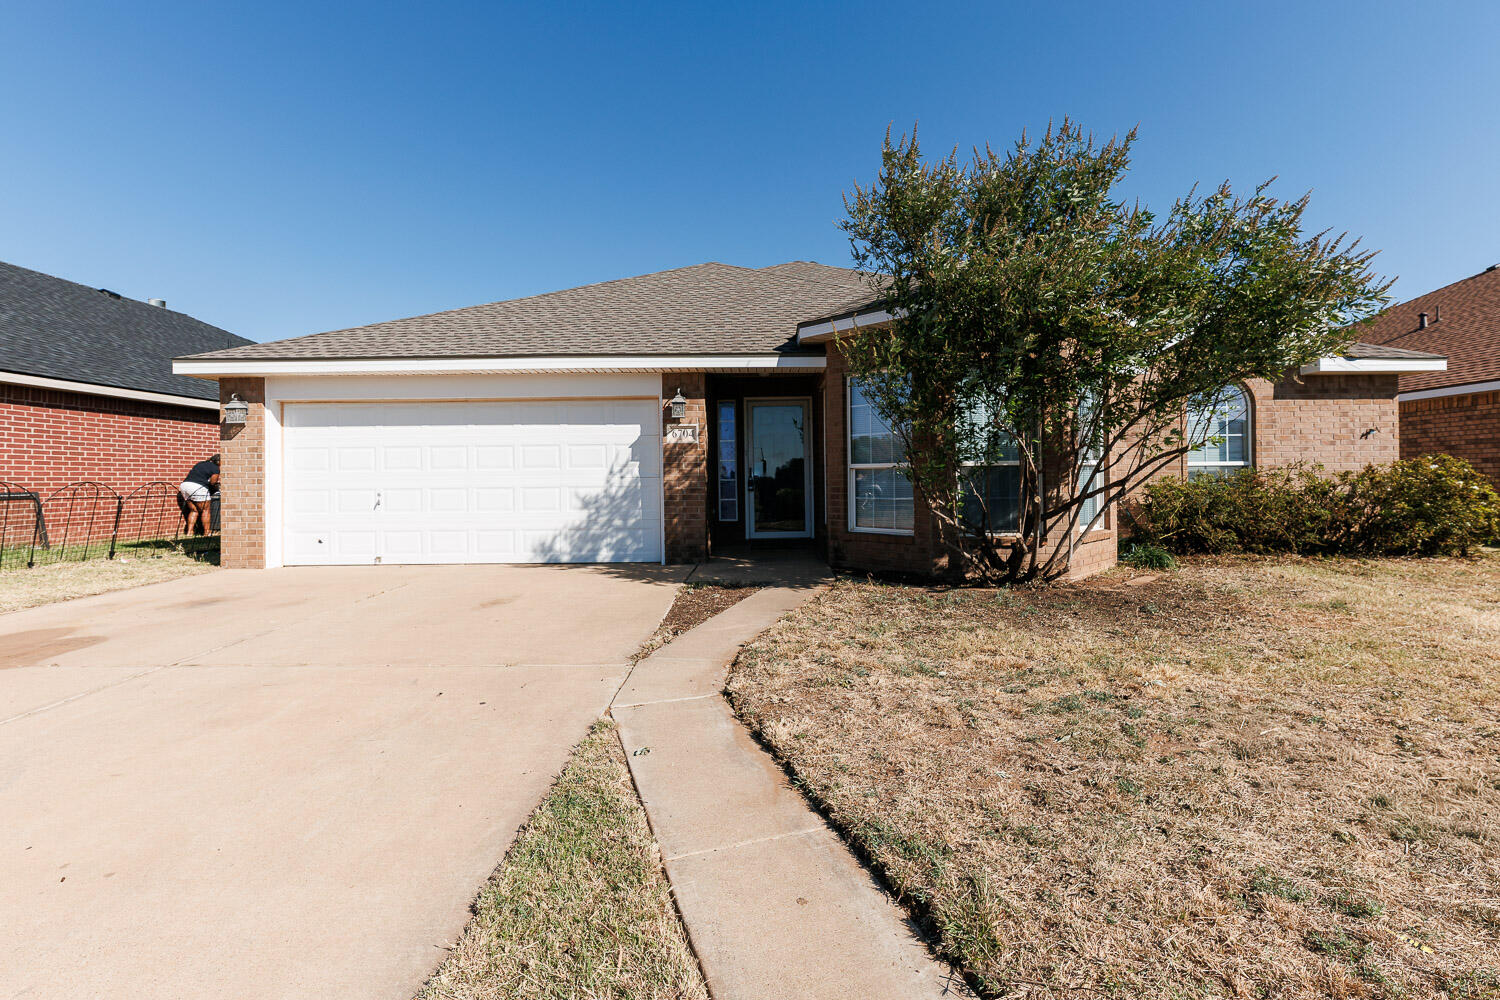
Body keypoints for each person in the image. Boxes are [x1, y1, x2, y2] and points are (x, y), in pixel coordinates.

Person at [179, 455, 220, 536]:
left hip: (185, 486)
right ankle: (206, 533)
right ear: (219, 462)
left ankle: (189, 533)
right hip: (197, 487)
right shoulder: (215, 468)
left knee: (194, 510)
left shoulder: (200, 464)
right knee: (205, 510)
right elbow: (213, 482)